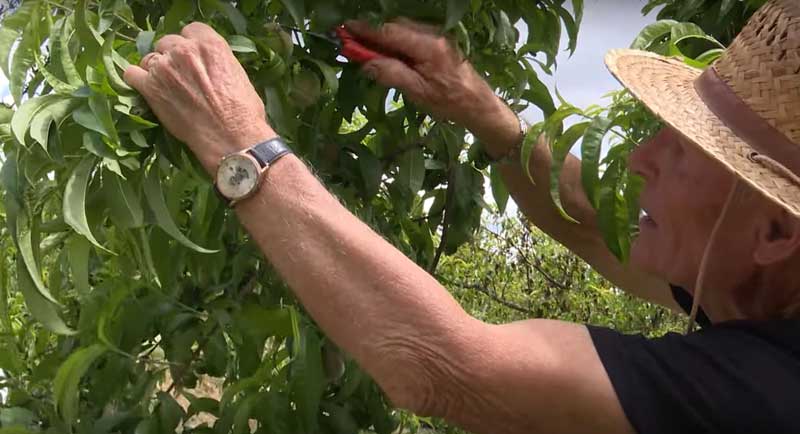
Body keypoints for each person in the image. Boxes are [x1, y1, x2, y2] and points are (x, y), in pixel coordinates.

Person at [122, 0, 800, 432]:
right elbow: (590, 224)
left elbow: (445, 367)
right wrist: (475, 104)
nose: (640, 158)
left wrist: (240, 145)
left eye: (683, 154)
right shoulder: (756, 283)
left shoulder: (765, 394)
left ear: (775, 231)